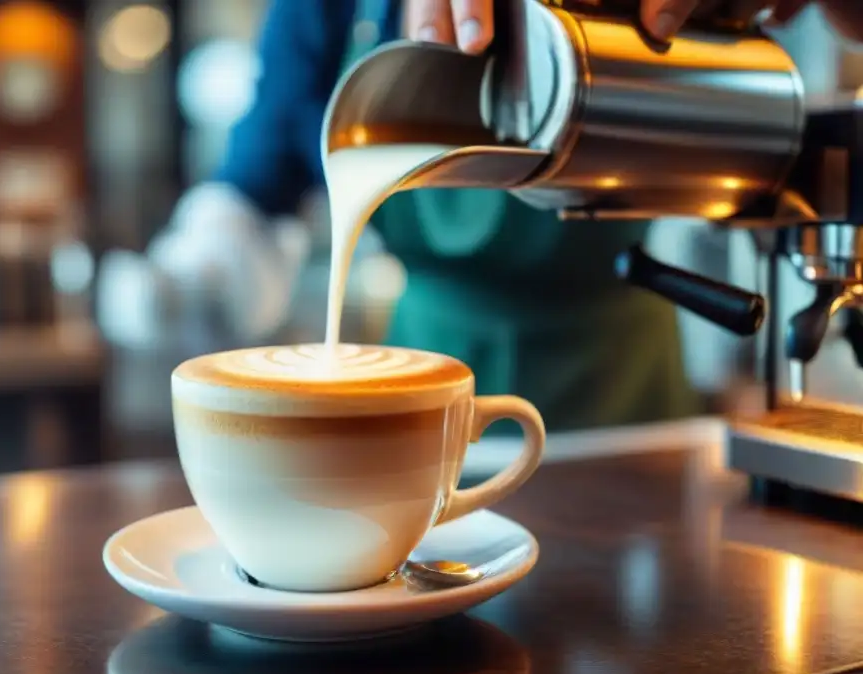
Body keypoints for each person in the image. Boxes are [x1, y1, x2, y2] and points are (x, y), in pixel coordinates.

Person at [151, 0, 861, 433]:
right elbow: (255, 179)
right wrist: (184, 278)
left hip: (623, 389)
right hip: (424, 372)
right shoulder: (327, 10)